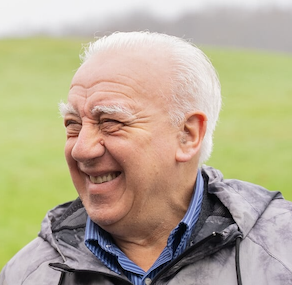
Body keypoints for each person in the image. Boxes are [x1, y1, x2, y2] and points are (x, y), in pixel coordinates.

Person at [1, 31, 292, 285]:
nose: (81, 149)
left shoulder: (281, 253)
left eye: (110, 122)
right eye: (73, 125)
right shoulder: (28, 274)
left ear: (188, 135)